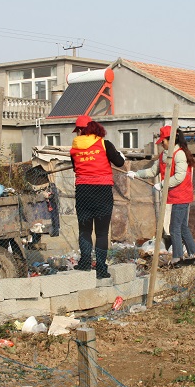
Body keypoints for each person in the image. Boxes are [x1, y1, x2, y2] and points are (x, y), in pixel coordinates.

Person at [128, 125, 195, 268]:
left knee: (174, 228)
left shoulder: (179, 154)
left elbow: (179, 176)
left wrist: (162, 185)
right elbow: (153, 171)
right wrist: (136, 174)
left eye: (163, 141)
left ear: (171, 140)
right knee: (182, 227)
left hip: (182, 195)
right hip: (174, 195)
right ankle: (193, 255)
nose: (161, 144)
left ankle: (177, 259)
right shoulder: (164, 156)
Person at [70, 115, 125, 279]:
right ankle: (101, 269)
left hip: (83, 192)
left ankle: (85, 264)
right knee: (101, 233)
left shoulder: (74, 148)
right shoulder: (104, 144)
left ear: (80, 130)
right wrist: (118, 155)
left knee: (85, 231)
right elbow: (120, 162)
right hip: (102, 192)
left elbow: (75, 168)